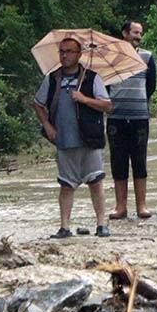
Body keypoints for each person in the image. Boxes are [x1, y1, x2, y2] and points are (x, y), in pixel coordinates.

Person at [31, 37, 113, 238]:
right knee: (66, 185)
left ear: (79, 54)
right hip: (64, 140)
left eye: (69, 51)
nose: (65, 55)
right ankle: (64, 226)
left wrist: (84, 99)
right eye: (62, 51)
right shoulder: (52, 79)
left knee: (96, 181)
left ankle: (102, 224)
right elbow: (37, 104)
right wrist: (47, 125)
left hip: (90, 139)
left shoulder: (92, 78)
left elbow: (107, 105)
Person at [106, 20, 157, 220]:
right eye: (135, 32)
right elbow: (105, 85)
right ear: (125, 33)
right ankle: (120, 207)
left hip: (139, 117)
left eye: (140, 33)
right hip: (115, 117)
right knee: (118, 162)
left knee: (140, 161)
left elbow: (150, 85)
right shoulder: (111, 57)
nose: (138, 36)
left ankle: (141, 206)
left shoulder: (147, 57)